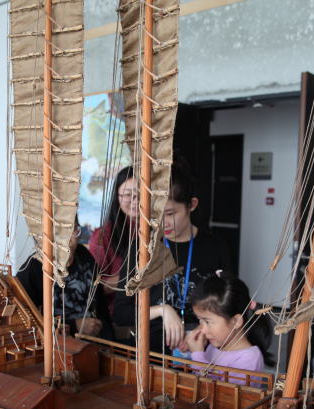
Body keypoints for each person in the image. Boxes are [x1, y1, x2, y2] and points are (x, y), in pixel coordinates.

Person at [111, 159, 232, 353]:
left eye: (169, 213)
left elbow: (228, 306)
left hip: (204, 347)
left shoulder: (215, 248)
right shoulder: (140, 248)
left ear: (191, 205)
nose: (162, 223)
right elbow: (120, 313)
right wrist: (162, 310)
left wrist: (205, 327)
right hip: (152, 350)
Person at [16, 217, 113, 340]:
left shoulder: (83, 255)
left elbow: (101, 304)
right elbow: (27, 325)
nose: (67, 239)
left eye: (72, 229)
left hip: (97, 342)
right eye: (58, 231)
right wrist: (74, 326)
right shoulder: (30, 273)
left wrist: (111, 340)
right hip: (58, 347)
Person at [184, 272, 270, 385]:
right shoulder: (215, 345)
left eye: (208, 322)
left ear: (236, 321)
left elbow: (214, 392)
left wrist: (197, 355)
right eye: (200, 320)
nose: (203, 330)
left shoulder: (249, 360)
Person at [90, 166, 138, 312]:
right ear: (117, 197)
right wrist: (133, 276)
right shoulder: (103, 236)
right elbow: (94, 288)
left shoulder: (162, 230)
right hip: (118, 317)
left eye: (142, 194)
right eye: (128, 195)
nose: (136, 201)